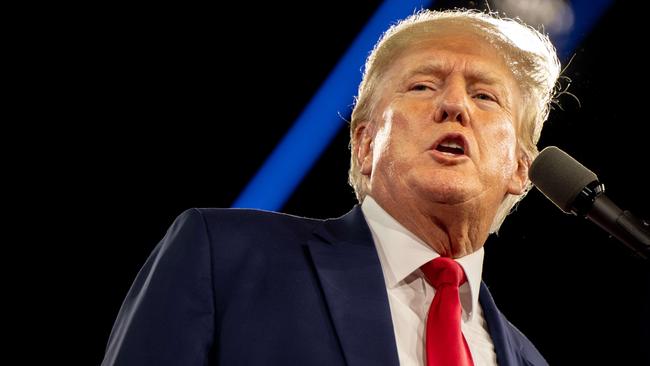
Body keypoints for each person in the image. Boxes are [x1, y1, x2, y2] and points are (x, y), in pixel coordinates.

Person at [102, 9, 560, 366]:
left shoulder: (528, 359)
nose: (454, 104)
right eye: (422, 86)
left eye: (484, 96)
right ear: (364, 143)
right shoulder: (223, 257)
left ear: (521, 168)